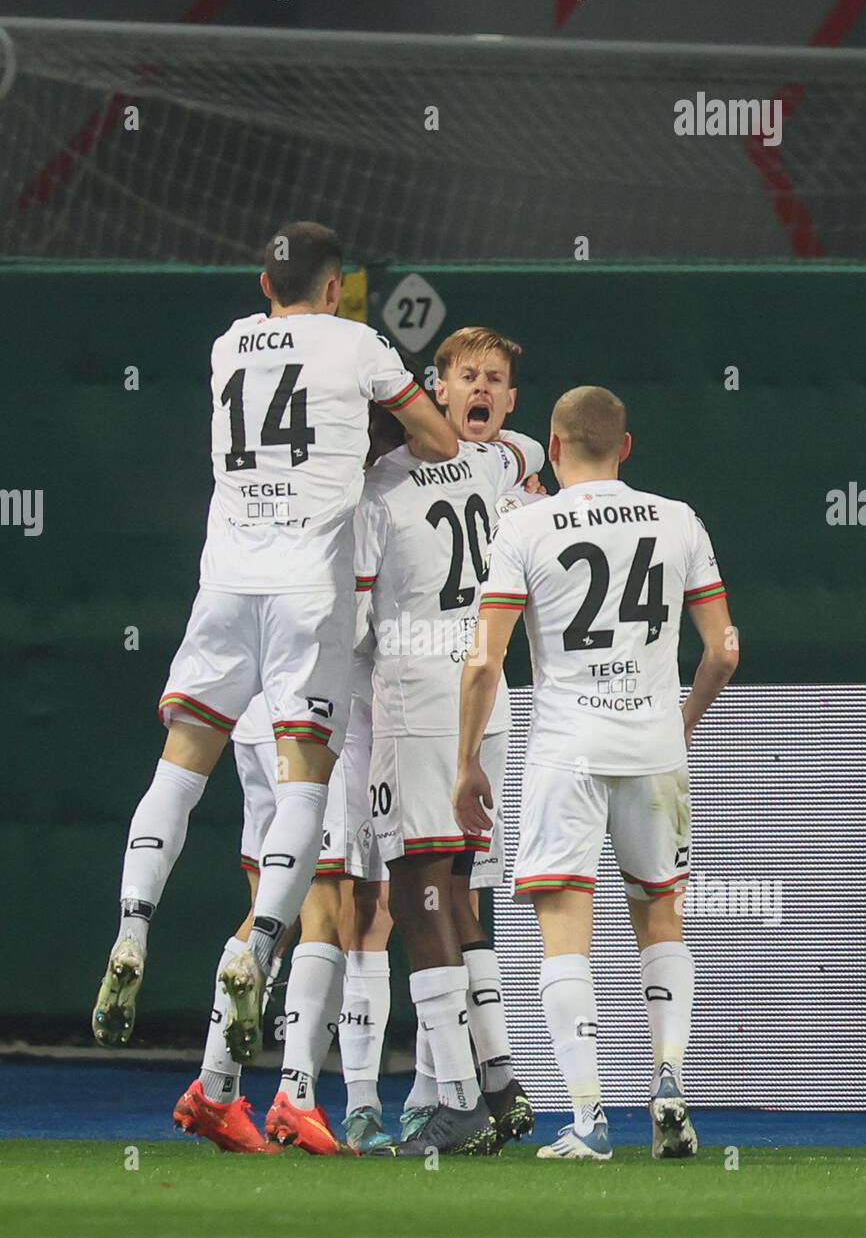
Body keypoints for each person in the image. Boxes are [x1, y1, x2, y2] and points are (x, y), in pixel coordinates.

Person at [92, 220, 457, 1058]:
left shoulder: (228, 346)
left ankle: (132, 928)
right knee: (304, 786)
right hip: (308, 587)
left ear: (265, 285)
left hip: (224, 581)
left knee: (178, 770)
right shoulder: (358, 343)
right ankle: (258, 948)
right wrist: (371, 441)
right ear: (335, 287)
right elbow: (436, 438)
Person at [454, 385, 738, 1160]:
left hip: (566, 751)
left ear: (551, 445)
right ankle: (669, 1078)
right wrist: (678, 726)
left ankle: (587, 1119)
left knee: (562, 934)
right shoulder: (677, 519)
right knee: (661, 918)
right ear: (626, 447)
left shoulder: (524, 526)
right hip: (653, 749)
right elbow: (723, 650)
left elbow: (485, 658)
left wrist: (465, 761)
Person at [355, 327, 545, 1156]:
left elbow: (357, 619)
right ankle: (500, 1081)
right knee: (461, 890)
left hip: (419, 693)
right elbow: (523, 444)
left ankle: (459, 1101)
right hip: (486, 692)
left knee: (416, 890)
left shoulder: (374, 491)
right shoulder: (492, 462)